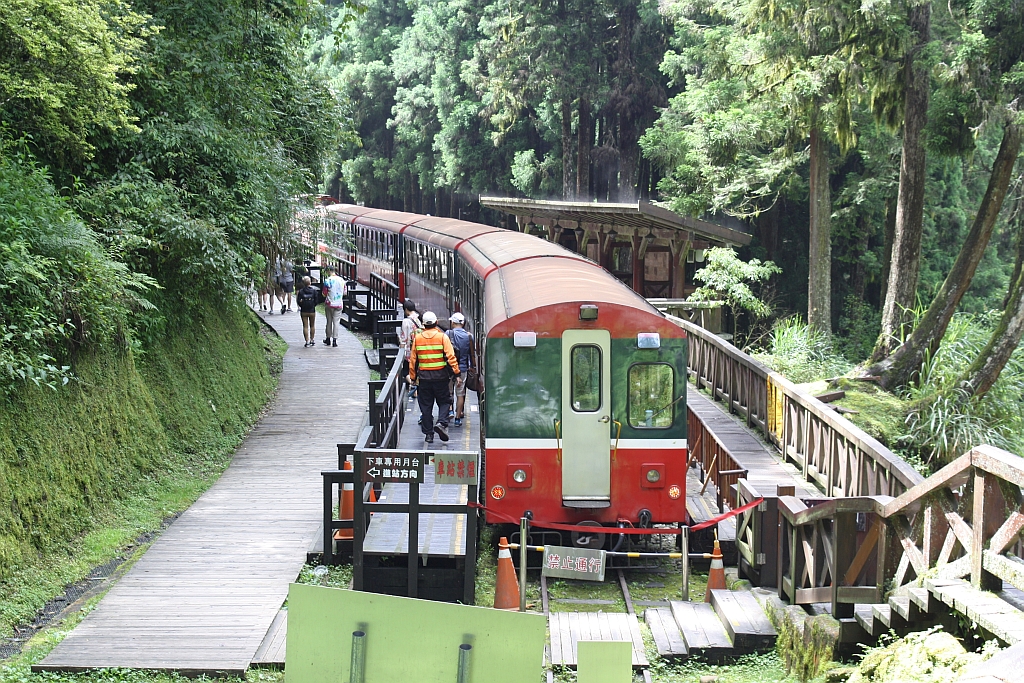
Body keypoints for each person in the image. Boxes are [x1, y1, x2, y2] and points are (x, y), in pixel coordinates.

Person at [408, 311, 460, 443]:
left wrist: (413, 378)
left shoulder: (418, 339)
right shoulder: (442, 337)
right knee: (445, 401)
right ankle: (441, 423)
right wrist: (457, 373)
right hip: (441, 377)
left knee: (426, 406)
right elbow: (451, 357)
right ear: (436, 322)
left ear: (424, 324)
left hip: (424, 378)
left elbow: (413, 360)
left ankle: (428, 435)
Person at [446, 312, 475, 427]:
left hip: (449, 368)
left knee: (448, 391)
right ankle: (458, 418)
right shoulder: (469, 336)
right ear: (463, 323)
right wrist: (472, 366)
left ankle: (450, 410)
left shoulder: (448, 334)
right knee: (460, 393)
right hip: (462, 369)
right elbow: (471, 354)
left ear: (453, 322)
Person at [398, 299, 422, 399]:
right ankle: (415, 387)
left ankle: (413, 385)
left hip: (409, 350)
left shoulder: (406, 321)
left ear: (406, 309)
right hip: (418, 349)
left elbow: (403, 338)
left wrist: (401, 350)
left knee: (406, 371)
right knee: (415, 369)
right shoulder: (419, 320)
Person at [322, 265, 345, 347]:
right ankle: (335, 340)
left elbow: (324, 293)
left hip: (330, 304)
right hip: (339, 304)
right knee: (336, 322)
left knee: (329, 321)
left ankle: (328, 339)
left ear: (329, 271)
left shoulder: (328, 281)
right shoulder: (342, 280)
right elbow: (345, 292)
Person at [295, 276, 320, 347]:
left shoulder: (301, 291)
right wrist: (313, 305)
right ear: (310, 282)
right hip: (312, 310)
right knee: (312, 325)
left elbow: (298, 301)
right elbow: (316, 301)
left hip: (304, 311)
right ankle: (312, 339)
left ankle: (307, 341)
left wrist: (302, 305)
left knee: (305, 326)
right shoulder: (314, 291)